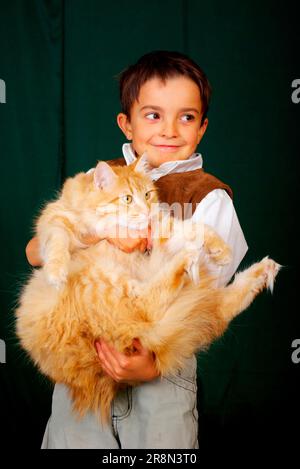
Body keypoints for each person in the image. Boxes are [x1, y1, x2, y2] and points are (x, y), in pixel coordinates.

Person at [26, 50, 248, 449]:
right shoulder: (101, 179)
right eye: (152, 115)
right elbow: (35, 251)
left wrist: (154, 362)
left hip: (158, 374)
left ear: (202, 128)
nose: (169, 130)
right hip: (84, 360)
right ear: (125, 124)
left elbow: (203, 300)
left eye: (186, 117)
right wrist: (101, 233)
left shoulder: (210, 197)